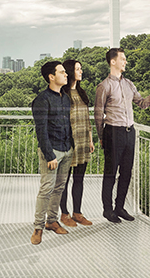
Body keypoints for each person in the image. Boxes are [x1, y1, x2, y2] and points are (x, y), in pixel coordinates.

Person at [94, 47, 150, 223]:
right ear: (113, 61)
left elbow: (142, 104)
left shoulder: (129, 84)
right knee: (110, 173)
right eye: (123, 59)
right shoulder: (104, 86)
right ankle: (108, 210)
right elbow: (98, 115)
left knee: (126, 172)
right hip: (113, 131)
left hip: (129, 132)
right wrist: (101, 136)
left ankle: (119, 207)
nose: (125, 61)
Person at [30, 61, 73, 245]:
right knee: (46, 189)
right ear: (51, 77)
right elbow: (41, 130)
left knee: (59, 188)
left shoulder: (65, 98)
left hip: (66, 149)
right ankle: (38, 228)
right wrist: (50, 156)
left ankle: (52, 221)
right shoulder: (42, 100)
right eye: (62, 72)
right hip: (52, 151)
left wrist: (71, 148)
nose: (66, 75)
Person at [59, 59, 95, 227]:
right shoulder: (62, 95)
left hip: (82, 143)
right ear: (70, 71)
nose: (81, 72)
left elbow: (87, 120)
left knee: (79, 179)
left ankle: (77, 213)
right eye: (78, 69)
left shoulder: (82, 93)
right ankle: (64, 214)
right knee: (64, 180)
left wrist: (90, 139)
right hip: (68, 143)